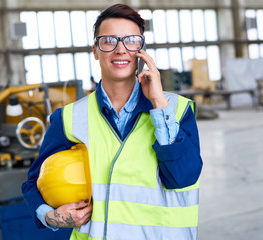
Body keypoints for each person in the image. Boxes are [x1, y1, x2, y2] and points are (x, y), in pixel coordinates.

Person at [22, 3, 203, 240]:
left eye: (131, 40)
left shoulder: (177, 110)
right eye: (109, 41)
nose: (120, 50)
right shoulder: (68, 119)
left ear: (141, 48)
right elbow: (34, 182)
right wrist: (50, 216)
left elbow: (183, 177)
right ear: (95, 50)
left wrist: (159, 103)